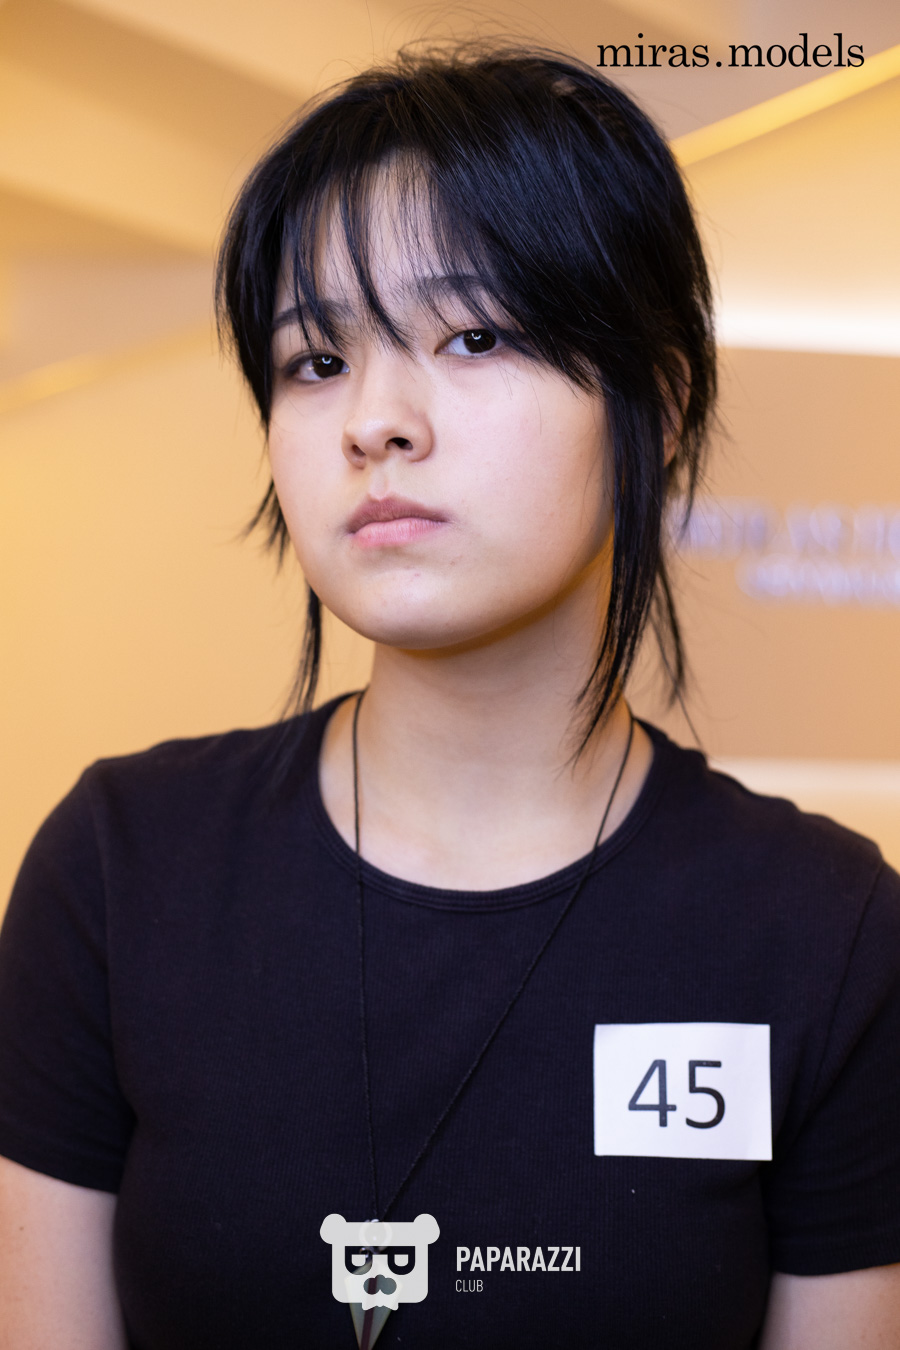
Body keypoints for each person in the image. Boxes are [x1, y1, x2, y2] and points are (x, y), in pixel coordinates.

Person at [0, 41, 898, 1350]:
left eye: (474, 334)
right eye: (316, 360)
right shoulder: (120, 868)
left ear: (655, 405)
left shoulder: (825, 928)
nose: (375, 420)